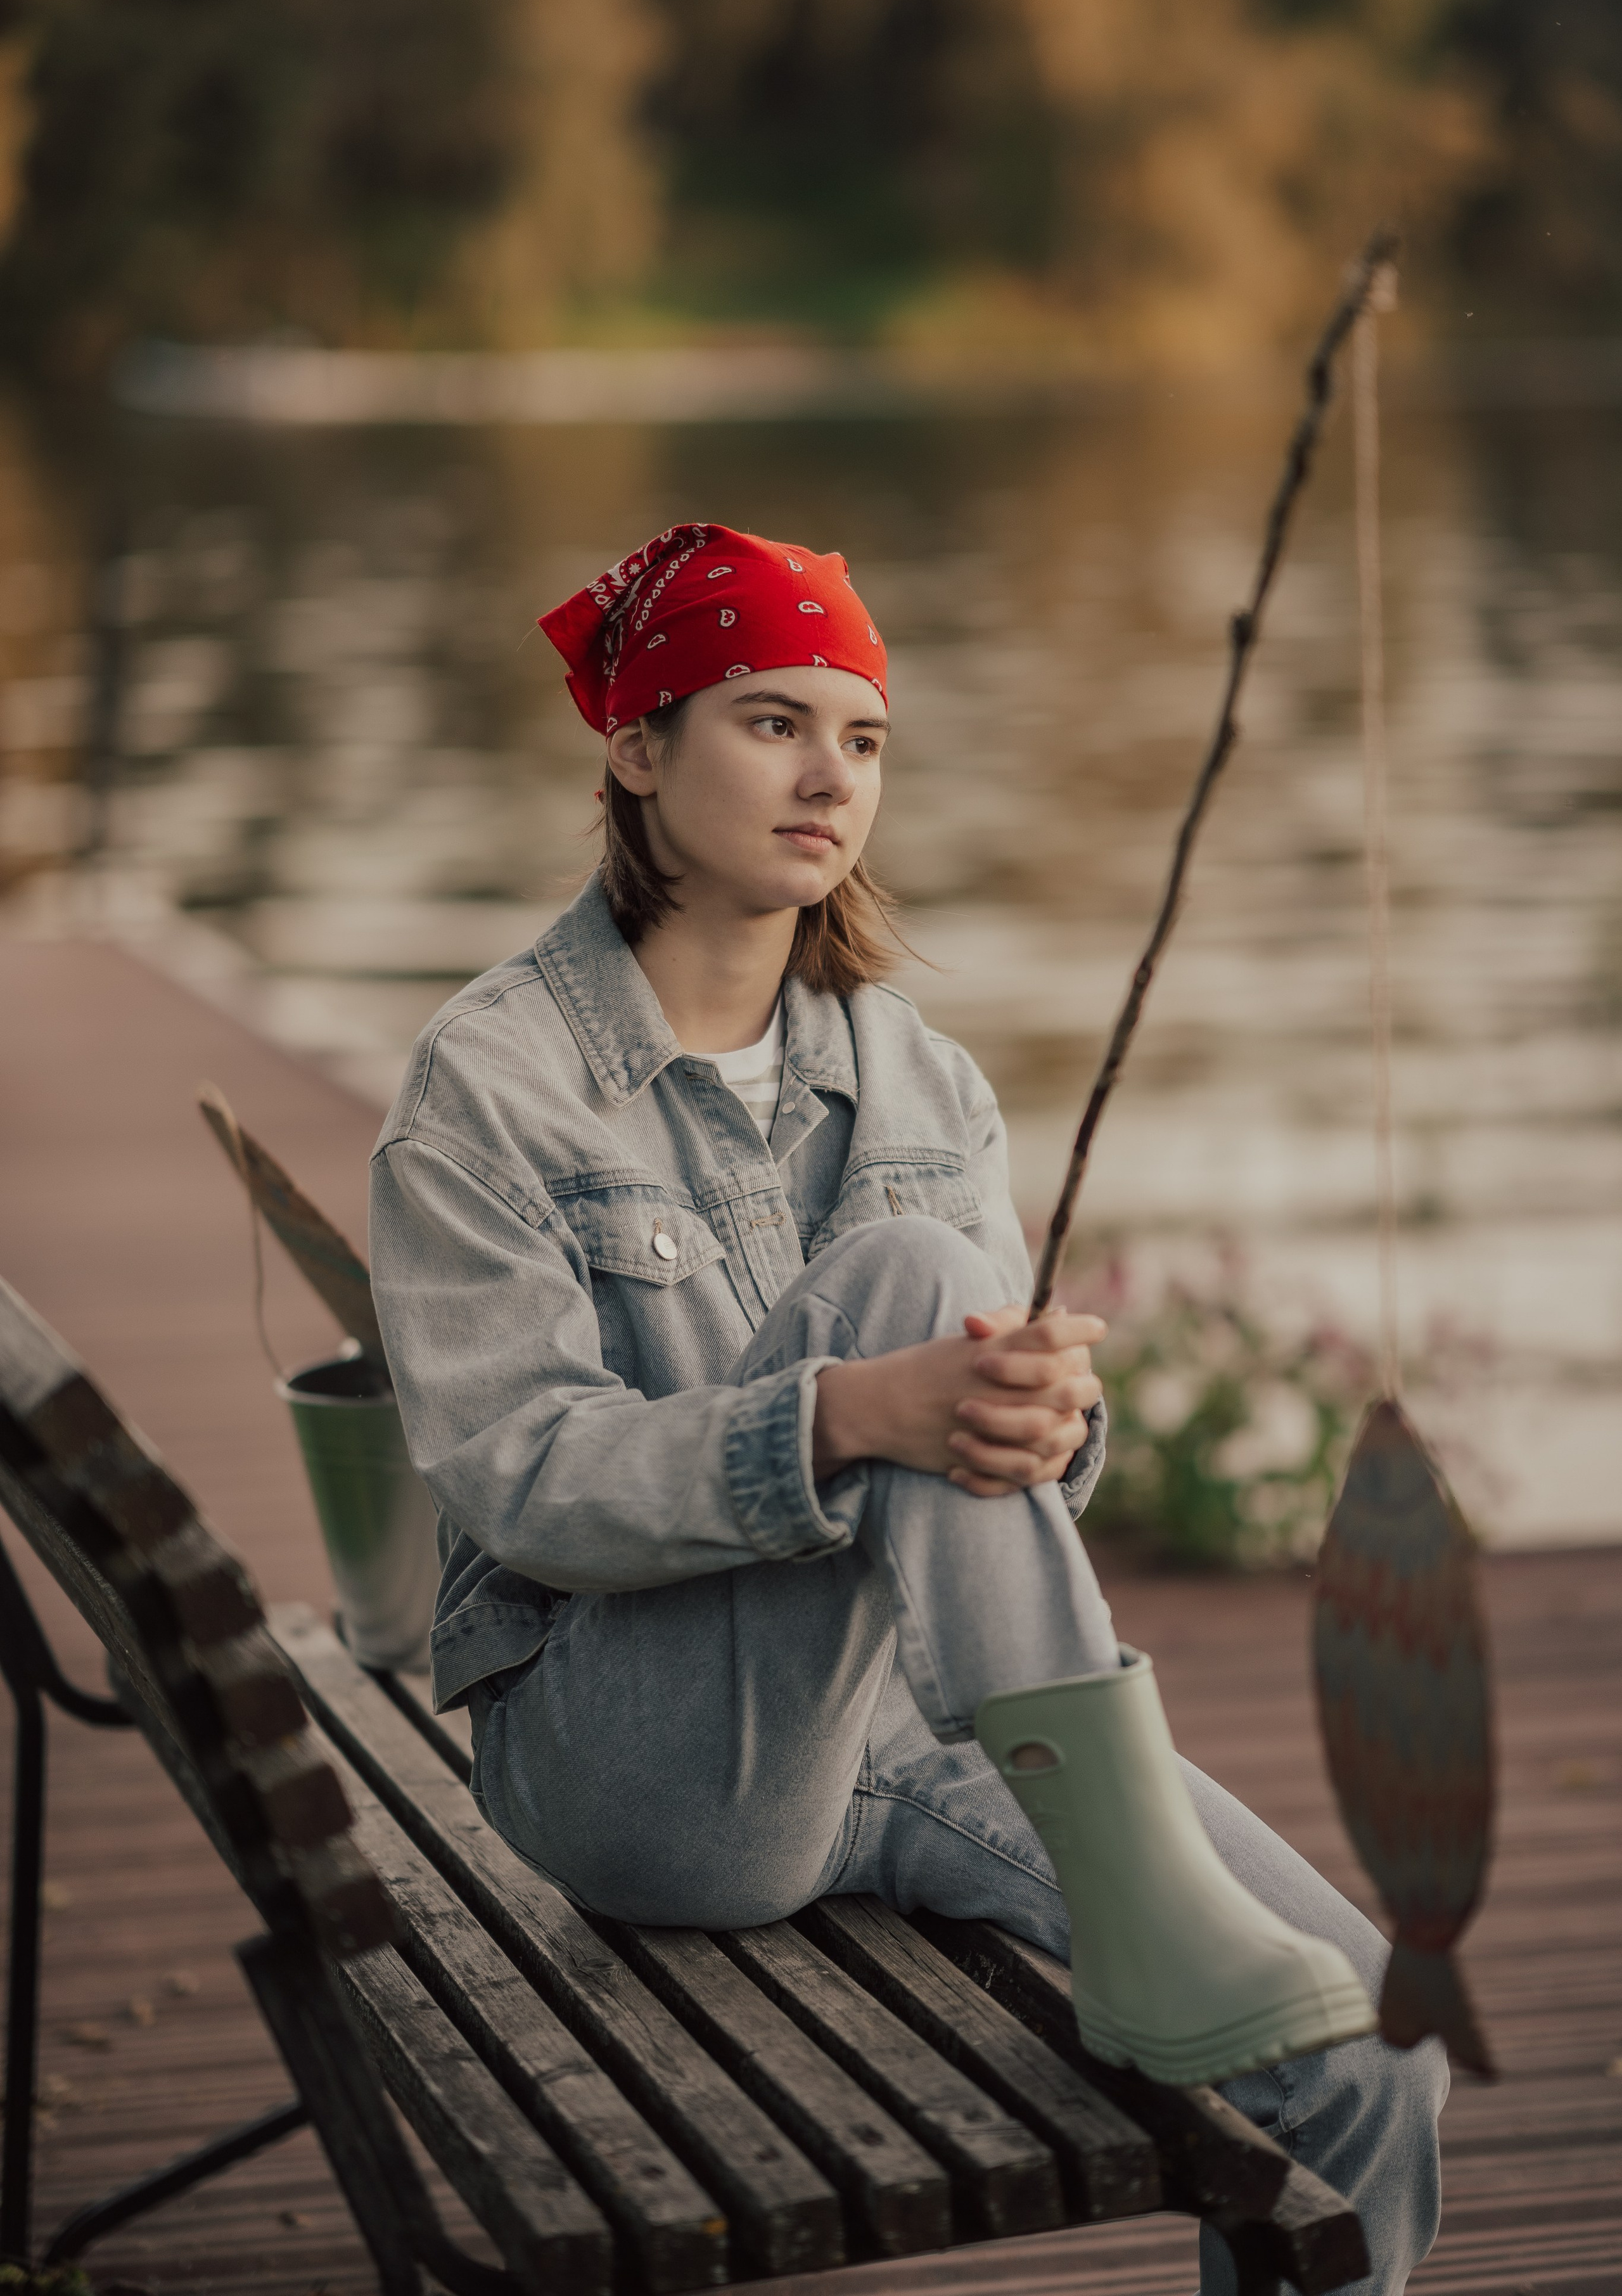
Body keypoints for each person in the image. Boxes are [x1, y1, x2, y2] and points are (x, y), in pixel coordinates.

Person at [369, 522, 1448, 2292]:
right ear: (636, 748)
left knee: (1379, 2050)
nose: (830, 777)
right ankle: (1142, 1895)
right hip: (636, 1757)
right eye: (771, 722)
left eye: (863, 738)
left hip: (910, 1724)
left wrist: (1044, 1421)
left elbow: (992, 1506)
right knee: (902, 1283)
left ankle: (1156, 1913)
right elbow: (528, 1482)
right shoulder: (492, 1089)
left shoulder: (919, 1077)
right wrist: (853, 1413)